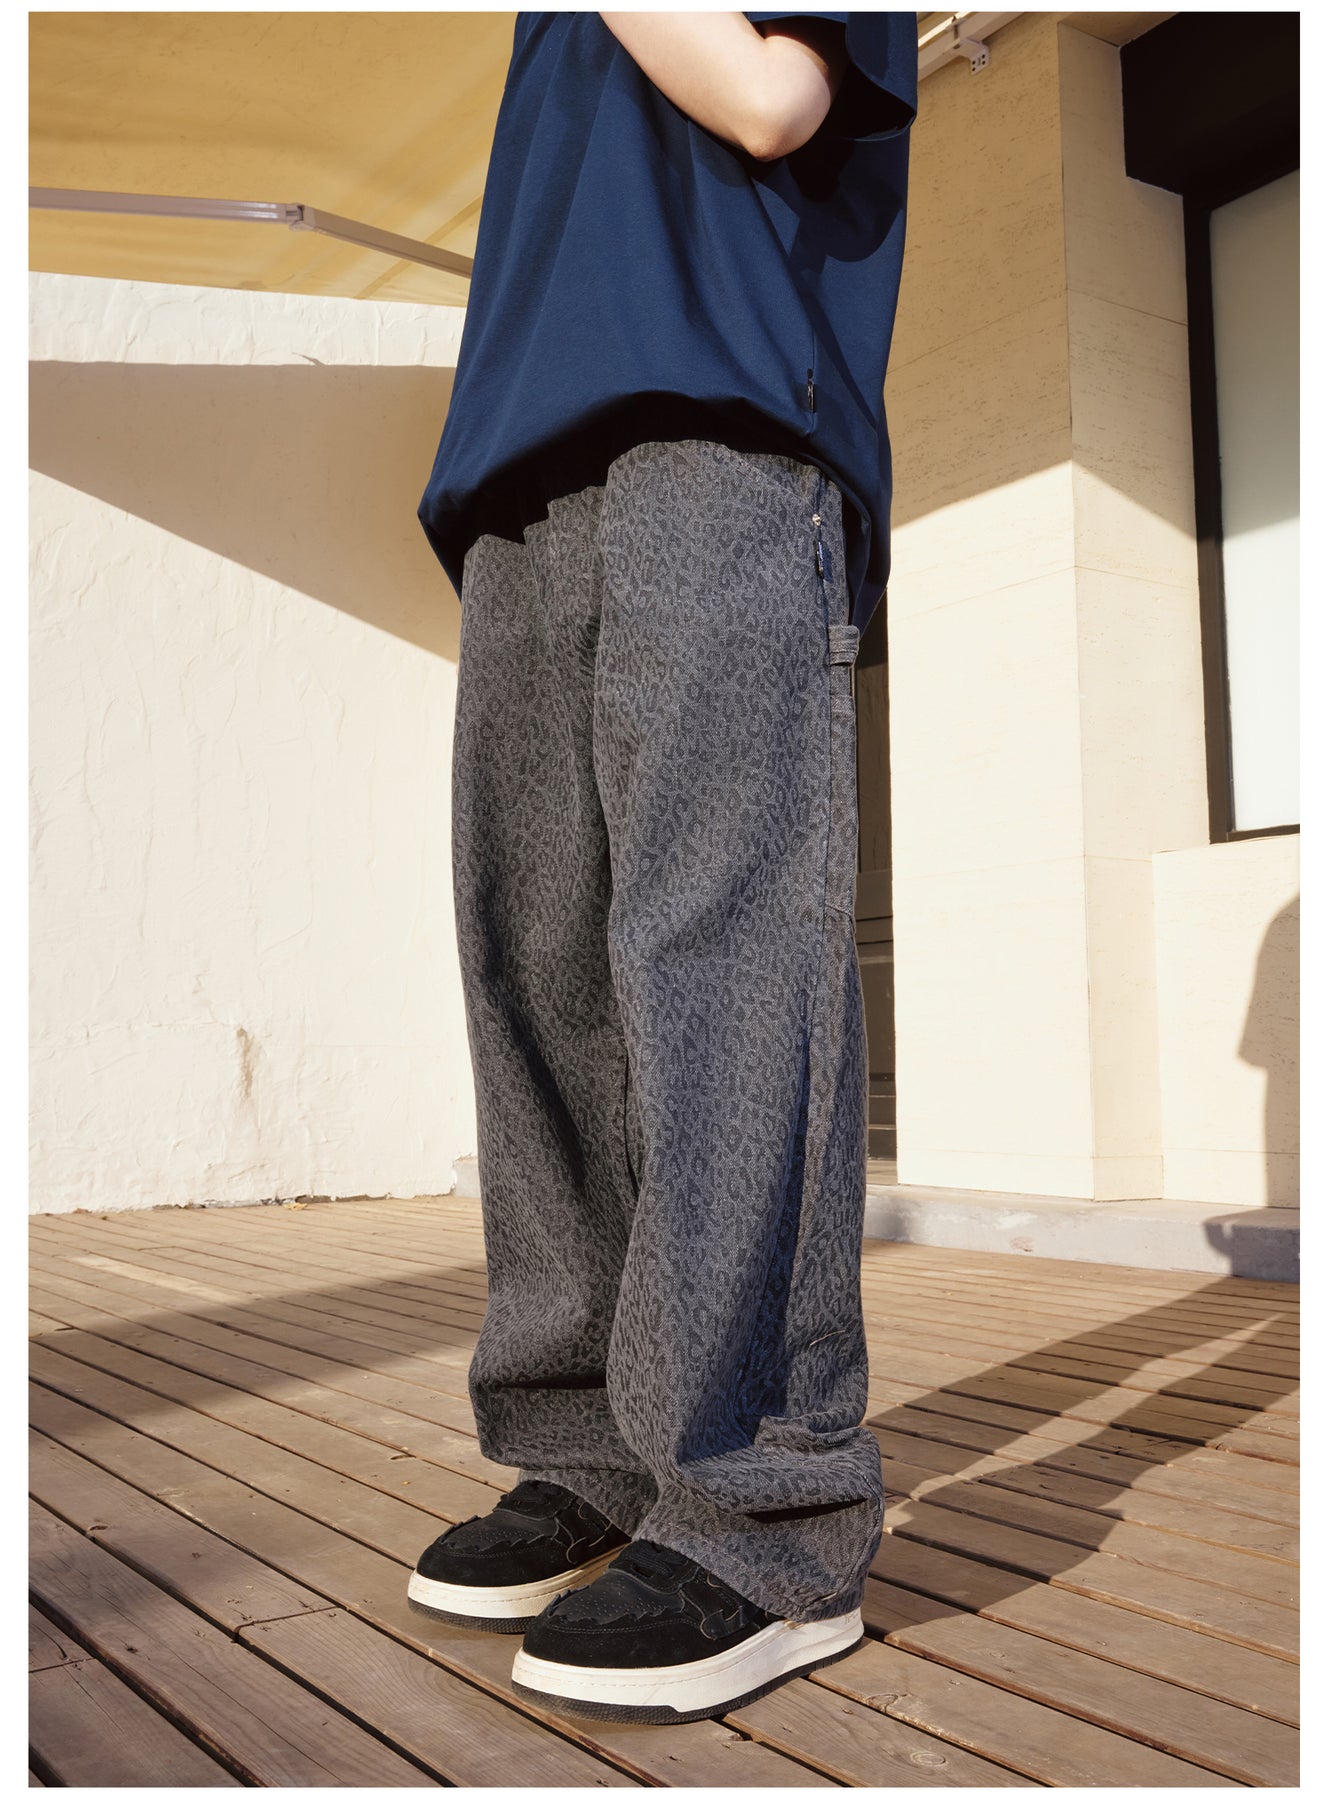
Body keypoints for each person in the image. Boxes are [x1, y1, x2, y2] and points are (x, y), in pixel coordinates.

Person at [412, 9, 917, 1726]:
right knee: (539, 971)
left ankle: (768, 1510)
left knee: (721, 963)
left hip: (725, 435)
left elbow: (772, 99)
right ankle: (591, 1452)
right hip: (516, 473)